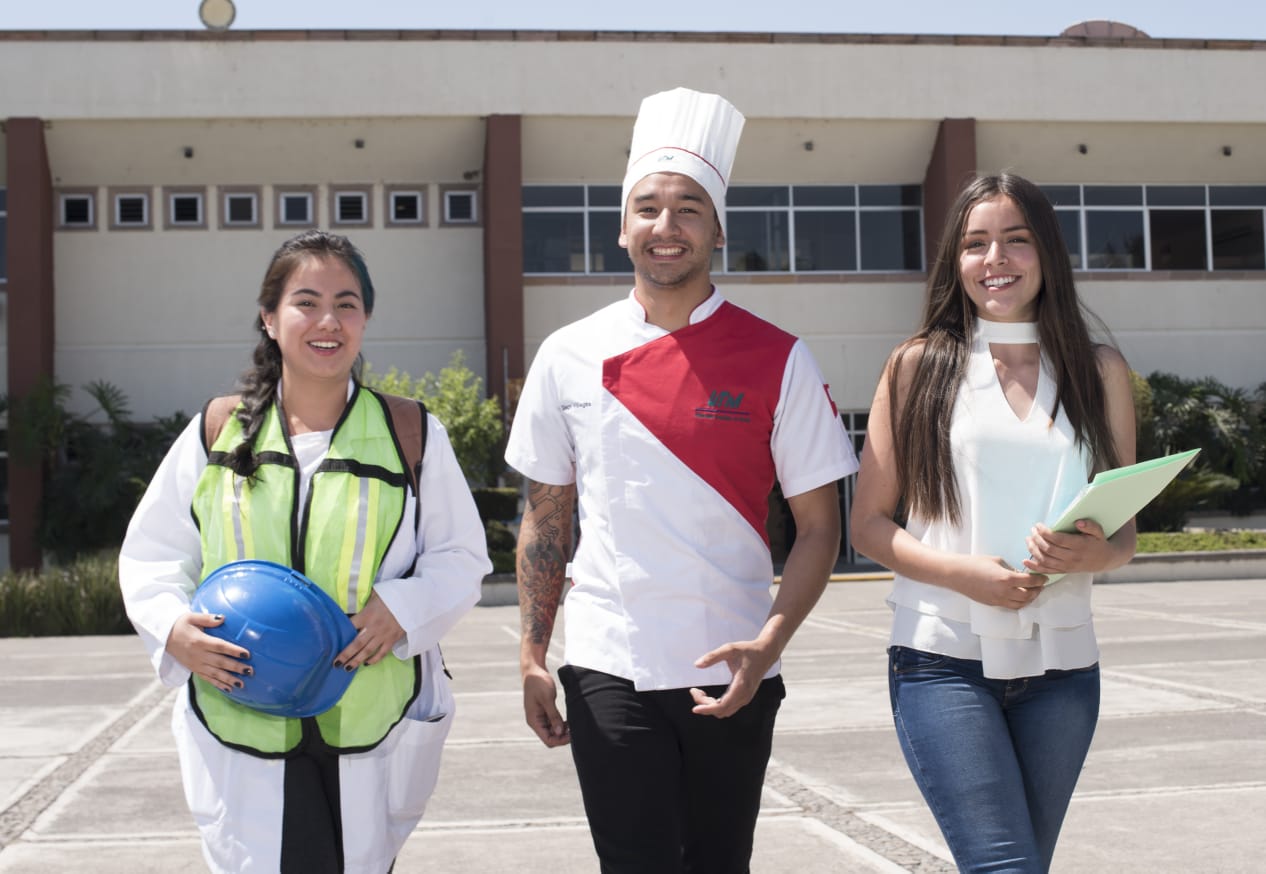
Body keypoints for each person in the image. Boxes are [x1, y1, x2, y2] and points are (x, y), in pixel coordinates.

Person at [504, 87, 859, 873]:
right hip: (608, 660)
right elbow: (546, 518)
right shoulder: (567, 353)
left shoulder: (779, 357)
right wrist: (533, 656)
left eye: (689, 208)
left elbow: (820, 527)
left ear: (718, 229)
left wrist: (767, 646)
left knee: (718, 863)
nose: (667, 226)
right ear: (623, 227)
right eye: (649, 208)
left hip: (730, 663)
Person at [119, 229, 491, 874]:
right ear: (269, 317)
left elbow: (461, 556)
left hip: (368, 712)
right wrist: (172, 628)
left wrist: (403, 607)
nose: (328, 321)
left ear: (366, 319)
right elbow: (153, 555)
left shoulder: (409, 431)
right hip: (242, 713)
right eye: (306, 302)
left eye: (347, 304)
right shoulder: (217, 429)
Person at [850, 173, 1137, 873]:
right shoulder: (917, 366)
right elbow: (868, 524)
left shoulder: (1099, 371)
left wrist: (1087, 555)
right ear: (956, 260)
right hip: (942, 660)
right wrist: (965, 576)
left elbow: (1123, 534)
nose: (995, 259)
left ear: (1047, 253)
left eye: (1016, 239)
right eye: (976, 244)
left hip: (1064, 669)